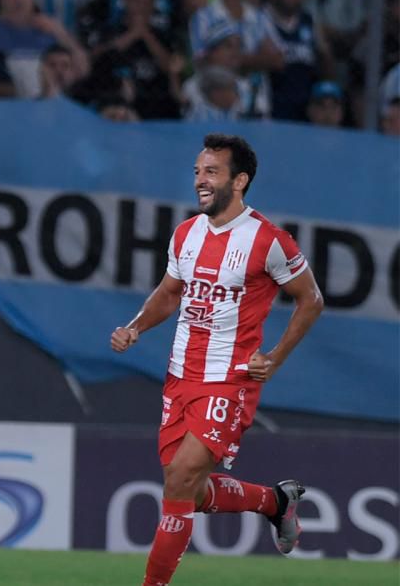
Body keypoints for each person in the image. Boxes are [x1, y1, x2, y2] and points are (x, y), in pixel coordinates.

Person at [110, 133, 324, 586]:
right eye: (197, 172)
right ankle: (275, 503)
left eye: (211, 172)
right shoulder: (185, 233)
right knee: (187, 487)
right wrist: (135, 328)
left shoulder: (268, 240)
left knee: (181, 479)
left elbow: (311, 299)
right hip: (180, 377)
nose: (200, 181)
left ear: (239, 181)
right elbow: (170, 294)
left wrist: (276, 357)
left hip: (232, 379)